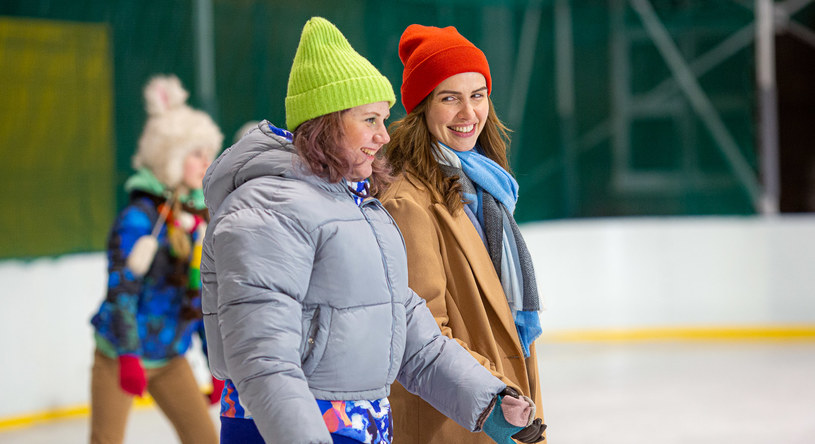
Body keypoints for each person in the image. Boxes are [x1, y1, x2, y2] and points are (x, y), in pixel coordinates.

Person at [200, 17, 543, 444]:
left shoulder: (357, 208)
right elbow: (263, 362)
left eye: (384, 119)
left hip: (360, 427)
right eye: (369, 120)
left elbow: (415, 339)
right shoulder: (267, 211)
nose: (384, 136)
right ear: (327, 122)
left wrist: (489, 401)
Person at [378, 24, 547, 443]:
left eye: (477, 95)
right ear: (422, 107)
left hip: (502, 404)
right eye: (449, 98)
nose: (468, 114)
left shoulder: (487, 187)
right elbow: (424, 333)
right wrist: (495, 399)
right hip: (457, 419)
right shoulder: (407, 202)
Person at [89, 75, 223, 444]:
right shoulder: (139, 221)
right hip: (120, 354)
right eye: (195, 152)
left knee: (205, 439)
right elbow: (122, 291)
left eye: (208, 152)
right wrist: (129, 356)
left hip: (168, 358)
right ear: (170, 157)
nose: (205, 162)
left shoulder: (197, 220)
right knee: (106, 440)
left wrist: (216, 366)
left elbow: (199, 298)